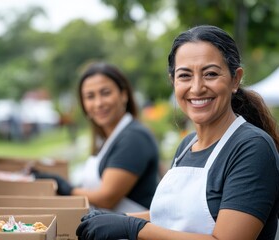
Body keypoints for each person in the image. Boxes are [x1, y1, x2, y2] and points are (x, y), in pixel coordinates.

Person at [76, 25, 279, 240]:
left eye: (210, 74)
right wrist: (118, 219)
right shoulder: (187, 146)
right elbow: (171, 218)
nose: (197, 87)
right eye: (185, 76)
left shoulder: (251, 147)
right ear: (173, 81)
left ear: (235, 79)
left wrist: (134, 228)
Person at [34, 62, 160, 213]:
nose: (98, 103)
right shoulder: (109, 138)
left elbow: (106, 199)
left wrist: (65, 188)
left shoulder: (134, 137)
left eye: (105, 93)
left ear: (124, 95)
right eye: (90, 96)